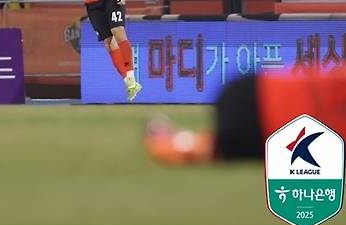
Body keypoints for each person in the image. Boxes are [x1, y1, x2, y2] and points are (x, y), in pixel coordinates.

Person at [145, 69, 346, 164]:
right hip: (265, 110)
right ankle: (177, 144)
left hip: (260, 95)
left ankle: (175, 143)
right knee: (218, 146)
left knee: (218, 145)